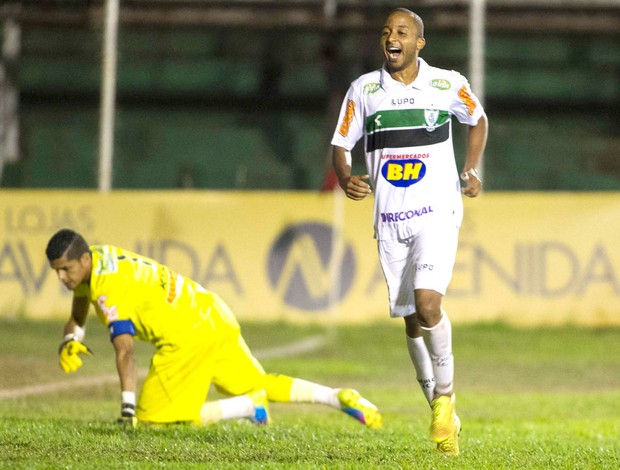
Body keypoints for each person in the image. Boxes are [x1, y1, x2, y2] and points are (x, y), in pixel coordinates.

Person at [330, 8, 488, 455]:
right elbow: (341, 144)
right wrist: (345, 176)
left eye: (401, 32)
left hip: (437, 212)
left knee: (427, 302)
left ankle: (445, 396)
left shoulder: (446, 83)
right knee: (411, 320)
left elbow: (477, 119)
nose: (391, 38)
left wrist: (471, 167)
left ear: (420, 43)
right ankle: (443, 416)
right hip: (390, 220)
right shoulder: (364, 90)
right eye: (386, 32)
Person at [46, 228, 382, 430]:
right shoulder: (98, 258)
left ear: (84, 260)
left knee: (156, 422)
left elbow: (126, 350)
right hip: (212, 311)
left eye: (65, 269)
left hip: (186, 336)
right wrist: (71, 337)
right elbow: (78, 311)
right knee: (260, 382)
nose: (62, 277)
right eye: (57, 272)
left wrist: (128, 409)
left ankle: (246, 408)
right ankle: (337, 397)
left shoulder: (107, 287)